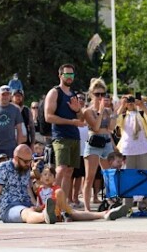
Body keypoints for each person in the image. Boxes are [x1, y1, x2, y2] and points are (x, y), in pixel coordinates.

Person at [43, 64, 84, 207]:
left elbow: (81, 119)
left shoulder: (73, 95)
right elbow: (48, 117)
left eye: (72, 74)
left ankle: (63, 204)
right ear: (60, 75)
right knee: (60, 169)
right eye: (66, 74)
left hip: (74, 136)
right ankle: (51, 201)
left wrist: (78, 110)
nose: (69, 77)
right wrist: (71, 121)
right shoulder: (55, 92)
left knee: (69, 171)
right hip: (60, 136)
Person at [116, 92, 147, 214]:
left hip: (144, 148)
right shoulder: (123, 114)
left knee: (144, 177)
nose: (131, 103)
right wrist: (122, 106)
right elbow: (116, 122)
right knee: (128, 177)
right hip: (128, 150)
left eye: (132, 100)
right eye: (129, 101)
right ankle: (127, 206)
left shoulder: (141, 113)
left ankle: (143, 205)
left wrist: (142, 105)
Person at [82, 77, 116, 212]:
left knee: (109, 175)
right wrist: (101, 111)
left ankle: (111, 201)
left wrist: (115, 113)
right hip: (94, 143)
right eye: (97, 94)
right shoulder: (88, 111)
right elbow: (95, 127)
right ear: (91, 94)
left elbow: (111, 128)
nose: (100, 97)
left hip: (106, 142)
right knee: (89, 176)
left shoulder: (107, 111)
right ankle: (87, 208)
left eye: (103, 94)